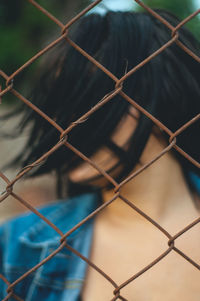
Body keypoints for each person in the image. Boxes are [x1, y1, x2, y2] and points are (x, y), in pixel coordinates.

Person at [0, 9, 200, 301]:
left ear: (161, 95)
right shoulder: (18, 245)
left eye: (89, 100)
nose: (65, 123)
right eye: (58, 103)